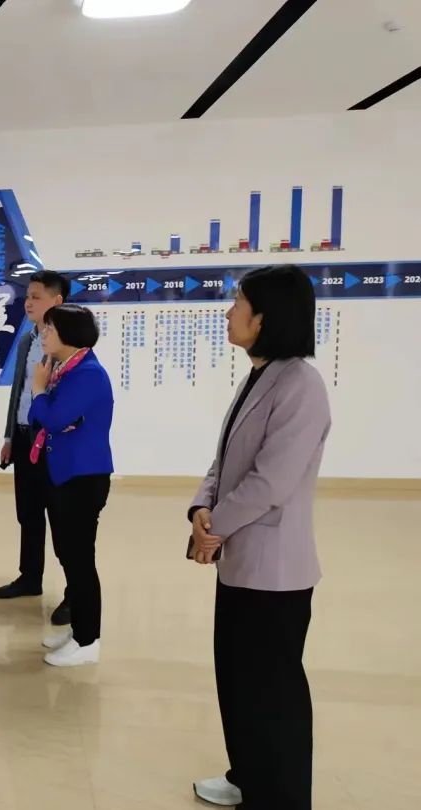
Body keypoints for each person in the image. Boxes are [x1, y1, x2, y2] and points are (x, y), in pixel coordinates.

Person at [189, 265, 331, 809]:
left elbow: (270, 481)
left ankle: (282, 797)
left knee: (274, 693)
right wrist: (201, 508)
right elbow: (224, 460)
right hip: (241, 562)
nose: (229, 313)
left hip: (276, 571)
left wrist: (214, 529)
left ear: (265, 318)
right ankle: (247, 775)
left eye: (238, 304)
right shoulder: (259, 375)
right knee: (238, 680)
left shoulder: (301, 386)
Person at [27, 305, 114, 667]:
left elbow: (52, 417)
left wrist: (38, 391)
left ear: (70, 334)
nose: (44, 334)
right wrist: (45, 398)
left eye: (50, 329)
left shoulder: (87, 374)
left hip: (82, 478)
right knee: (68, 554)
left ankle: (88, 641)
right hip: (65, 474)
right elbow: (48, 419)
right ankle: (78, 629)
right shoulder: (66, 369)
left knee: (80, 560)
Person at [0, 270, 72, 626]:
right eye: (28, 296)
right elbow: (19, 392)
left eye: (36, 297)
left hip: (54, 440)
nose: (28, 302)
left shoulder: (68, 345)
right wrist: (10, 437)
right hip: (26, 436)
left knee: (62, 519)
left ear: (57, 301)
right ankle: (30, 577)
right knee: (28, 511)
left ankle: (74, 592)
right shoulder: (28, 340)